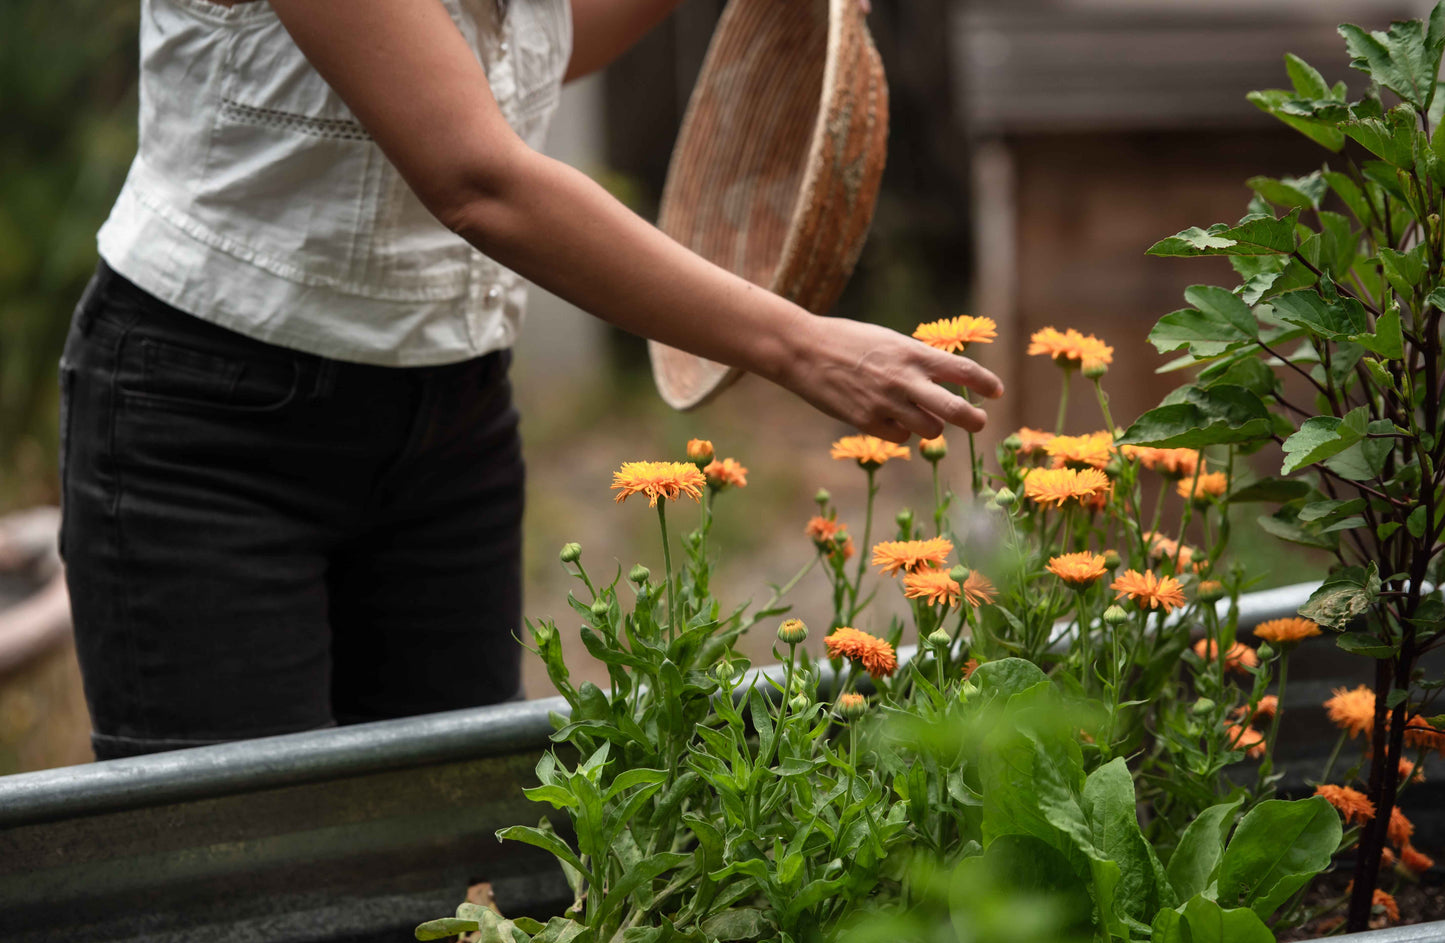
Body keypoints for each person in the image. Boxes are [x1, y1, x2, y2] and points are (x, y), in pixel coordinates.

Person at [60, 0, 1004, 761]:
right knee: (242, 877)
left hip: (450, 416)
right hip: (212, 426)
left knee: (449, 870)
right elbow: (477, 179)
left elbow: (532, 44)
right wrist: (799, 345)